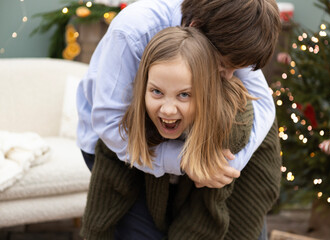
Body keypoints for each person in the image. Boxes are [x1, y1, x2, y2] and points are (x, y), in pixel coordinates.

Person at [80, 27, 281, 240]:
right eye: (157, 91)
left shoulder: (228, 125)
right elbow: (110, 178)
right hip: (174, 183)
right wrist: (94, 234)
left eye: (184, 95)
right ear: (143, 86)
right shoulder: (138, 111)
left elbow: (206, 212)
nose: (167, 109)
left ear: (206, 94)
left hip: (243, 186)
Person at [76, 0, 281, 188]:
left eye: (237, 68)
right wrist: (185, 162)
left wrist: (221, 166)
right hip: (118, 147)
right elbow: (109, 123)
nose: (229, 77)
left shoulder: (229, 42)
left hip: (179, 143)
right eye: (222, 66)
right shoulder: (133, 31)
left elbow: (263, 102)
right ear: (195, 28)